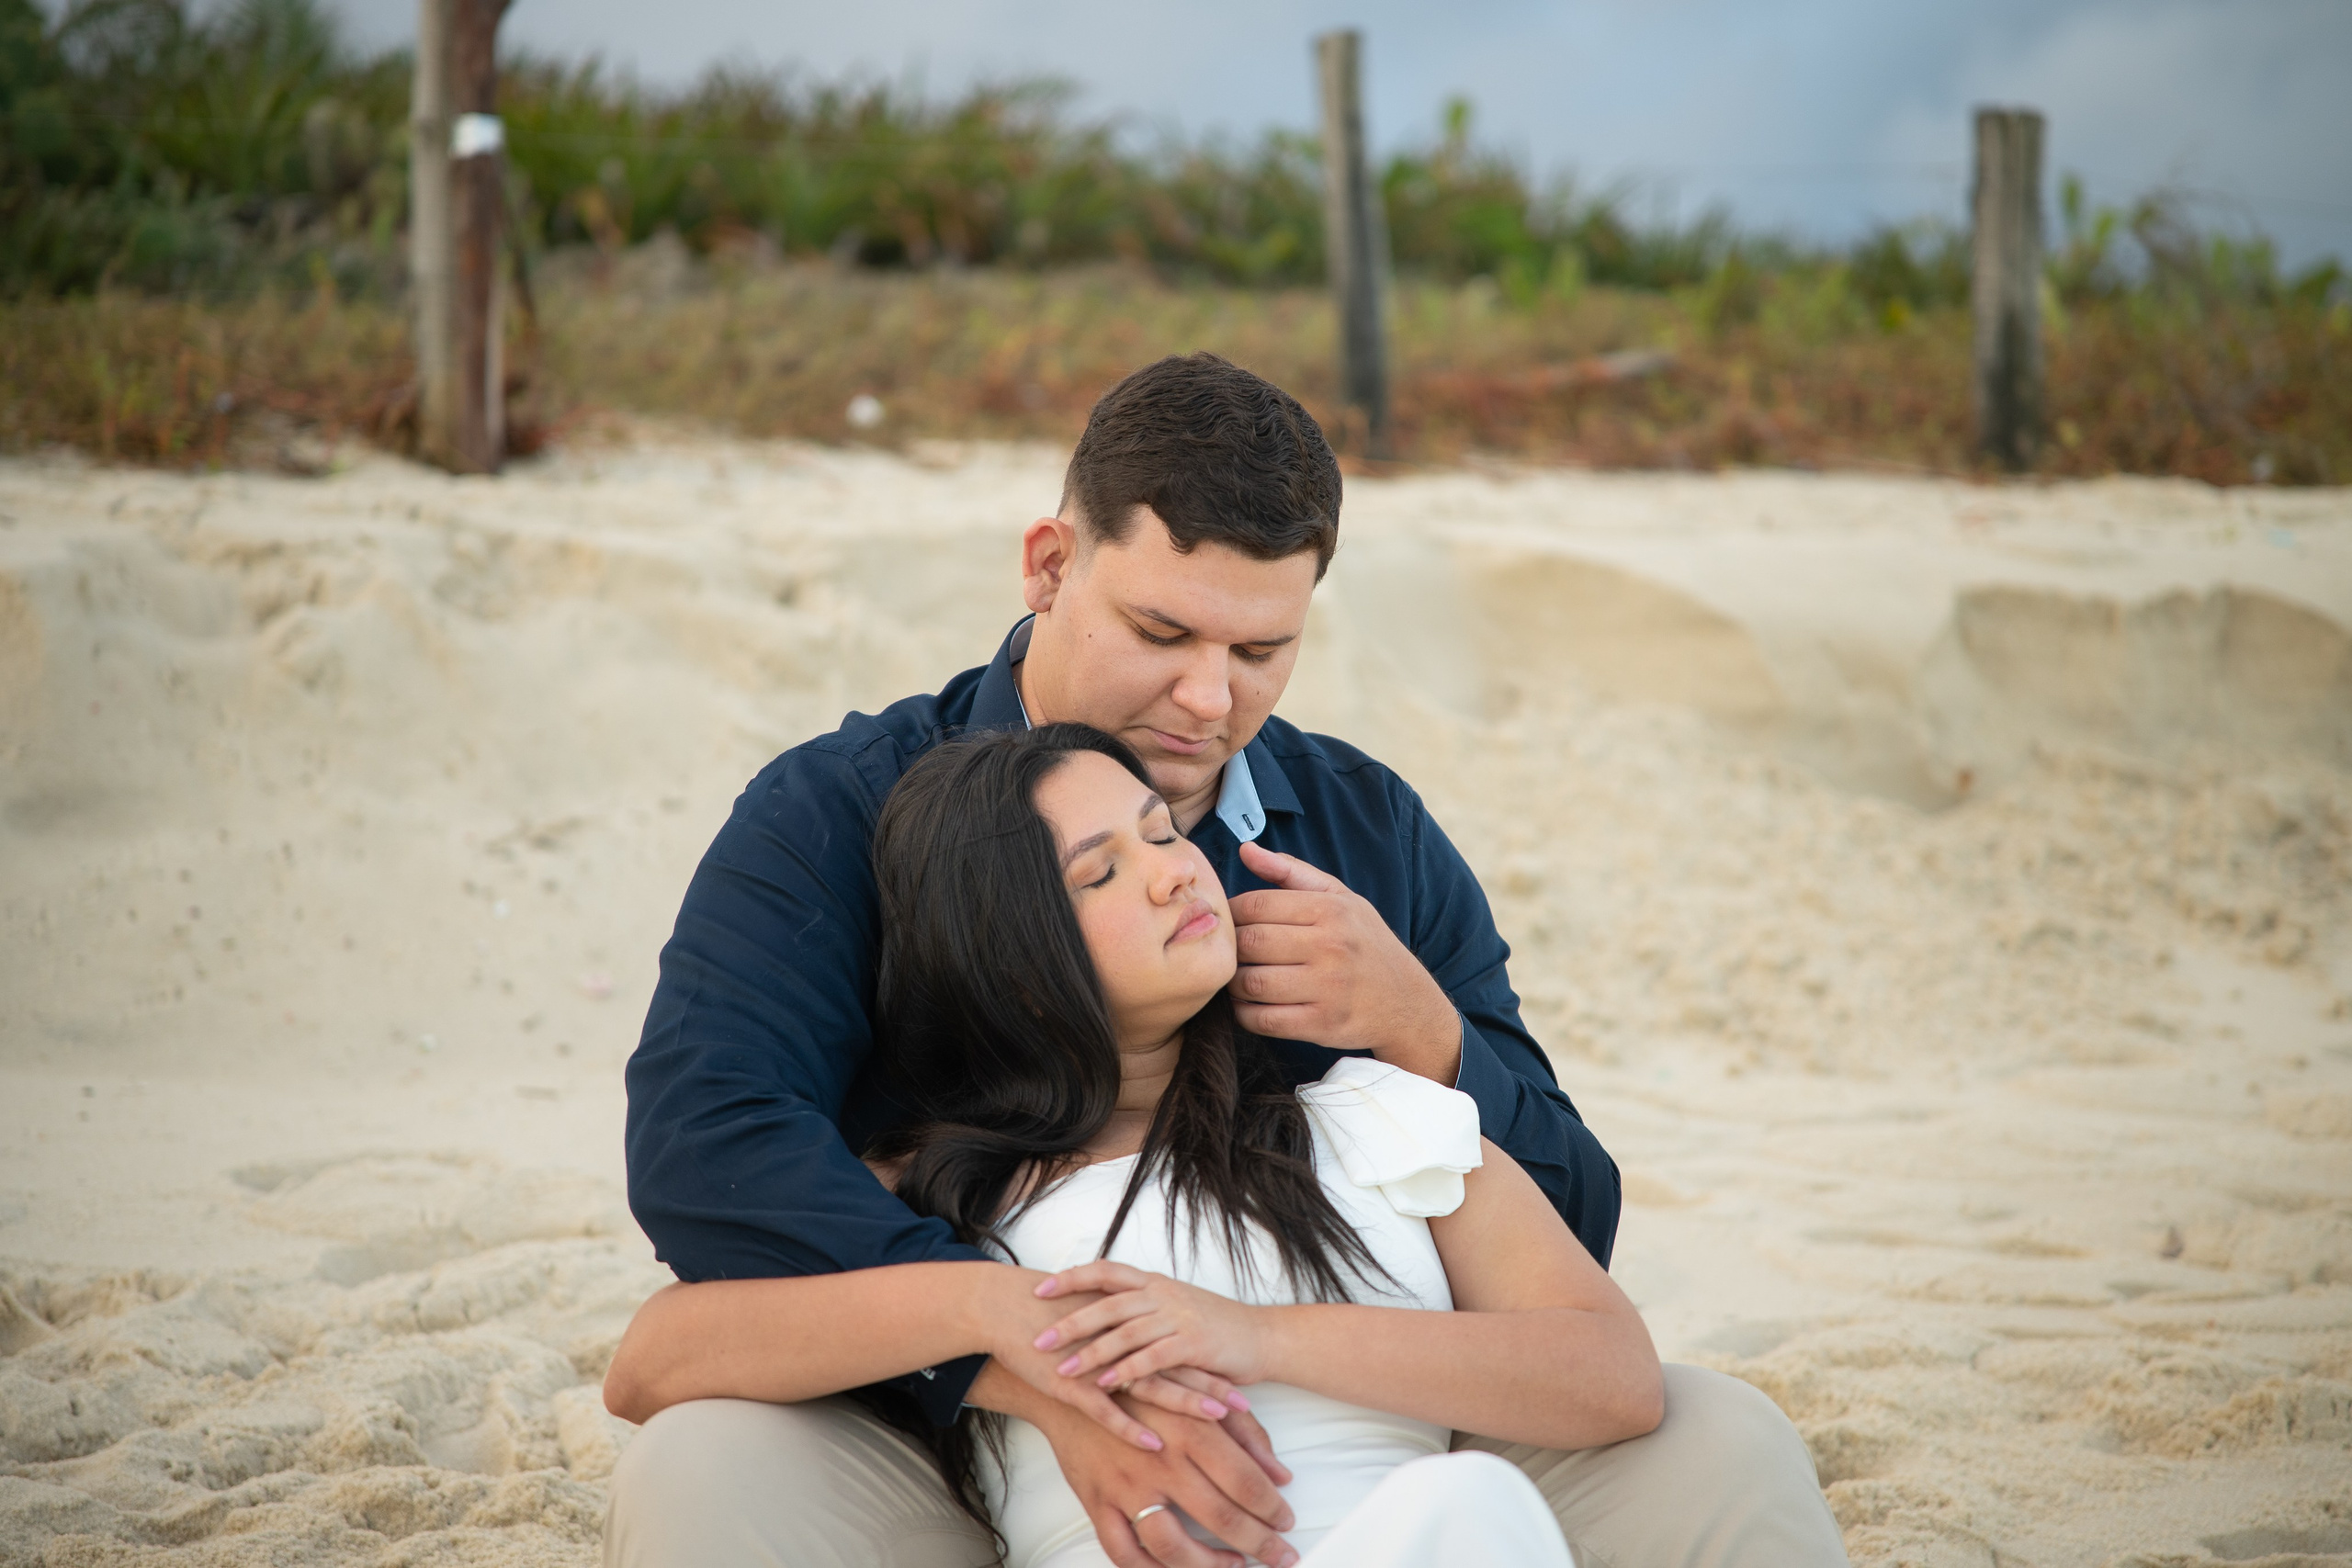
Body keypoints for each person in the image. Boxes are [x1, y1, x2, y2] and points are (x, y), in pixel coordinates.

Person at [607, 353, 1847, 1568]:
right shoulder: (840, 813)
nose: (1209, 699)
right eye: (1163, 629)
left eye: (1262, 652)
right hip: (944, 1427)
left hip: (1370, 1430)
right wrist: (1025, 1366)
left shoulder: (1364, 831)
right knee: (705, 1459)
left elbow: (1569, 1229)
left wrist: (1425, 1033)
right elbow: (708, 1155)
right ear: (1051, 565)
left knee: (1718, 1435)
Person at [605, 723, 1669, 1568]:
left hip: (1404, 1543)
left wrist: (1254, 1338)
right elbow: (653, 1362)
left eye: (1162, 835)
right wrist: (1002, 1322)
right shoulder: (948, 1197)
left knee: (1467, 1505)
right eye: (1097, 874)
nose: (1172, 874)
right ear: (1011, 966)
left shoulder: (1370, 1119)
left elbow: (1612, 1372)